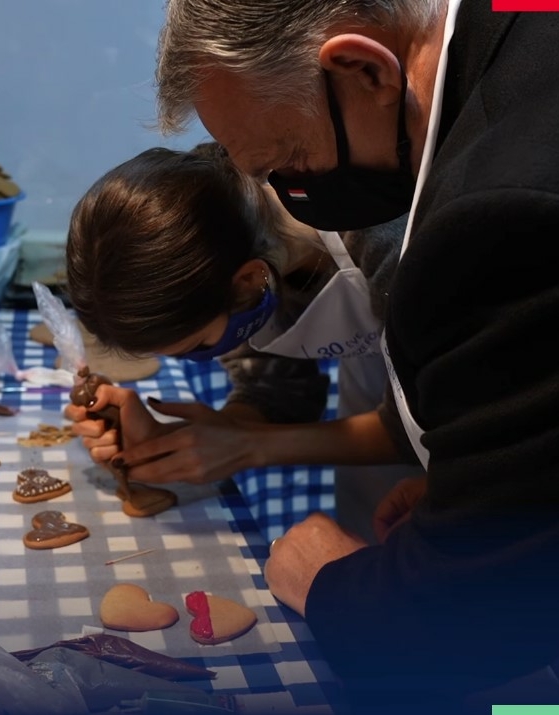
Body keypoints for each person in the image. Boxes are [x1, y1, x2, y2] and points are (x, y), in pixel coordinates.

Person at [153, 0, 559, 712]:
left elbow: (476, 621)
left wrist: (327, 580)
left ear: (363, 69)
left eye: (289, 162)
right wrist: (498, 476)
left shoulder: (502, 220)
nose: (292, 198)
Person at [64, 142, 419, 544]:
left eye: (200, 346)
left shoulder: (384, 231)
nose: (205, 357)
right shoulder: (228, 256)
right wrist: (213, 434)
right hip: (375, 404)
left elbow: (429, 426)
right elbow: (280, 392)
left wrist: (251, 447)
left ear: (250, 280)